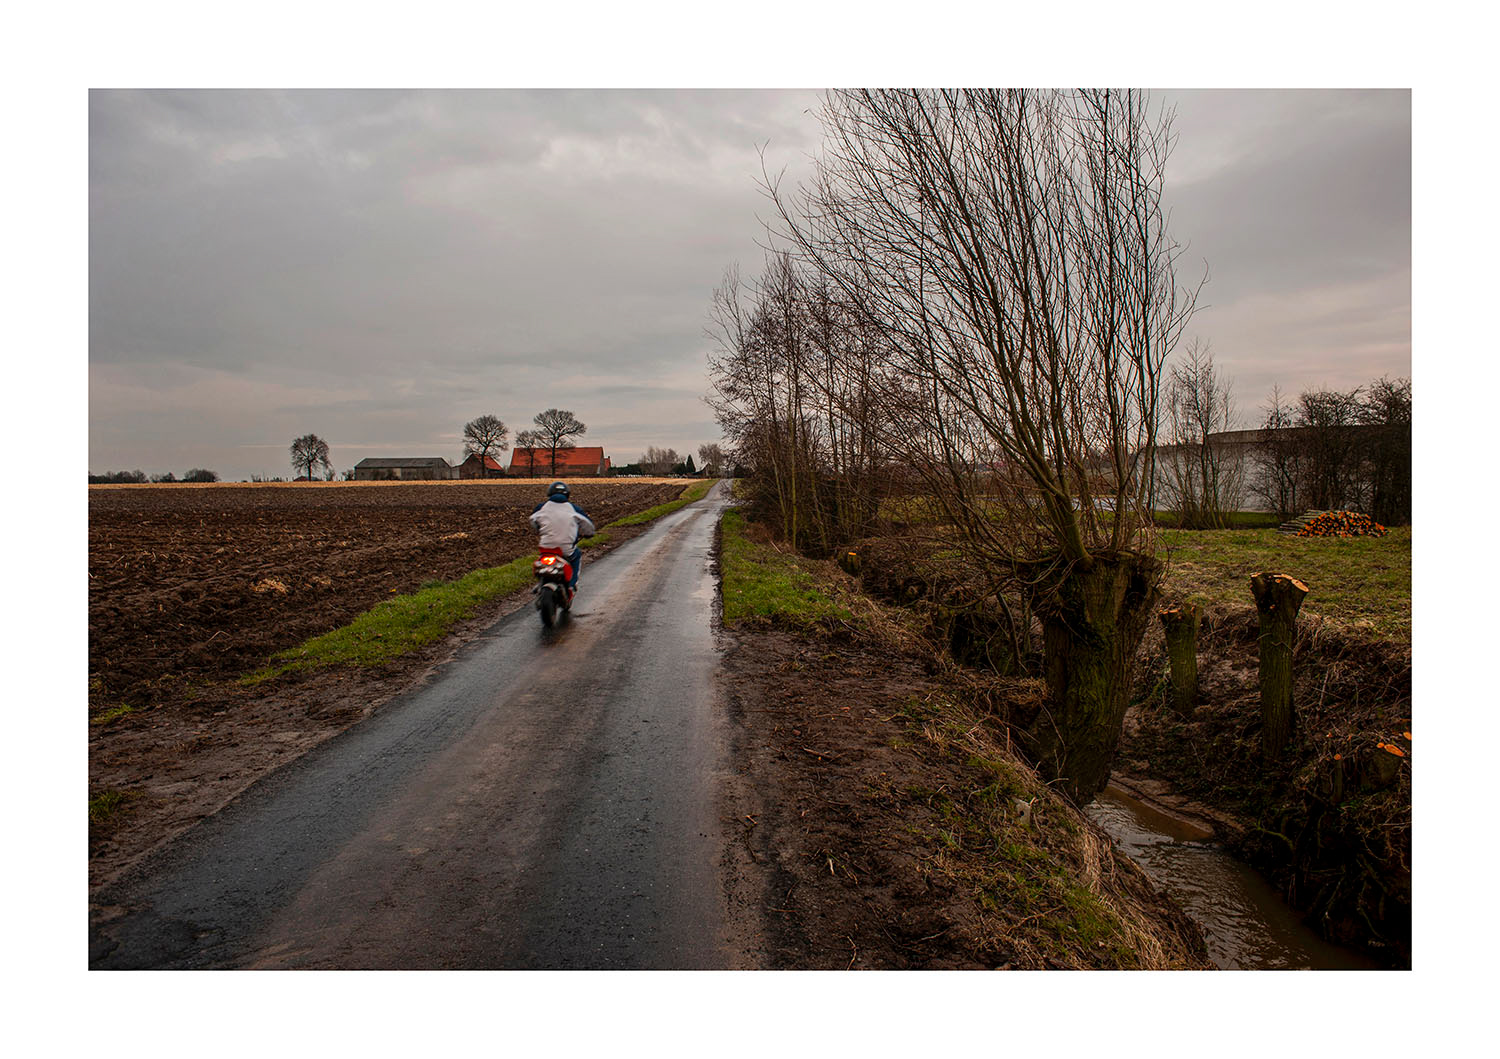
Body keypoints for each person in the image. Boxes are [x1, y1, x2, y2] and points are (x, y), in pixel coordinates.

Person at [529, 481, 595, 593]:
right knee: (576, 556)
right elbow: (588, 526)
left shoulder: (541, 507)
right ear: (567, 494)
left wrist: (539, 529)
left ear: (549, 493)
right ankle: (571, 585)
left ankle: (540, 582)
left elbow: (532, 520)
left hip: (546, 547)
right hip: (566, 549)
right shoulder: (574, 508)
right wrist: (588, 534)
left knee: (541, 560)